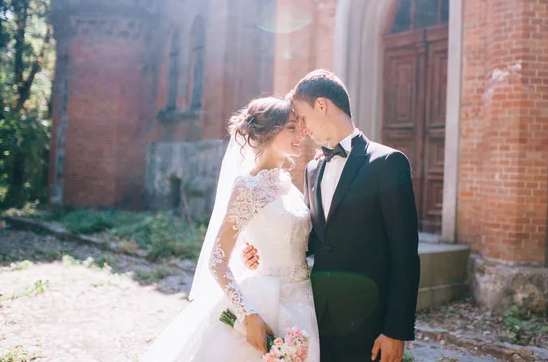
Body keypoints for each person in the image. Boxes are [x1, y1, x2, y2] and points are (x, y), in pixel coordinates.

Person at [243, 70, 420, 362]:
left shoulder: (388, 163)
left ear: (322, 106)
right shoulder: (313, 169)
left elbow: (405, 256)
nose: (301, 128)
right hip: (316, 318)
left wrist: (395, 330)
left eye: (301, 117)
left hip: (369, 324)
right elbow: (315, 239)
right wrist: (261, 249)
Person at [140, 96, 320, 361]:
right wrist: (248, 315)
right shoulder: (247, 188)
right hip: (266, 302)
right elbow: (218, 259)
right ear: (269, 132)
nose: (301, 134)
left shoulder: (287, 185)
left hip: (304, 302)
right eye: (291, 127)